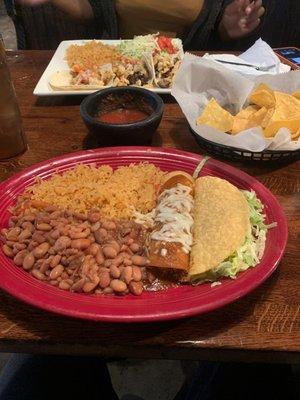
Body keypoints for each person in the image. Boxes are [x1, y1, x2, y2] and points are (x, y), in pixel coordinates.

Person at [16, 0, 265, 50]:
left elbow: (217, 29)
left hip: (185, 80)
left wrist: (227, 26)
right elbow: (95, 10)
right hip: (117, 69)